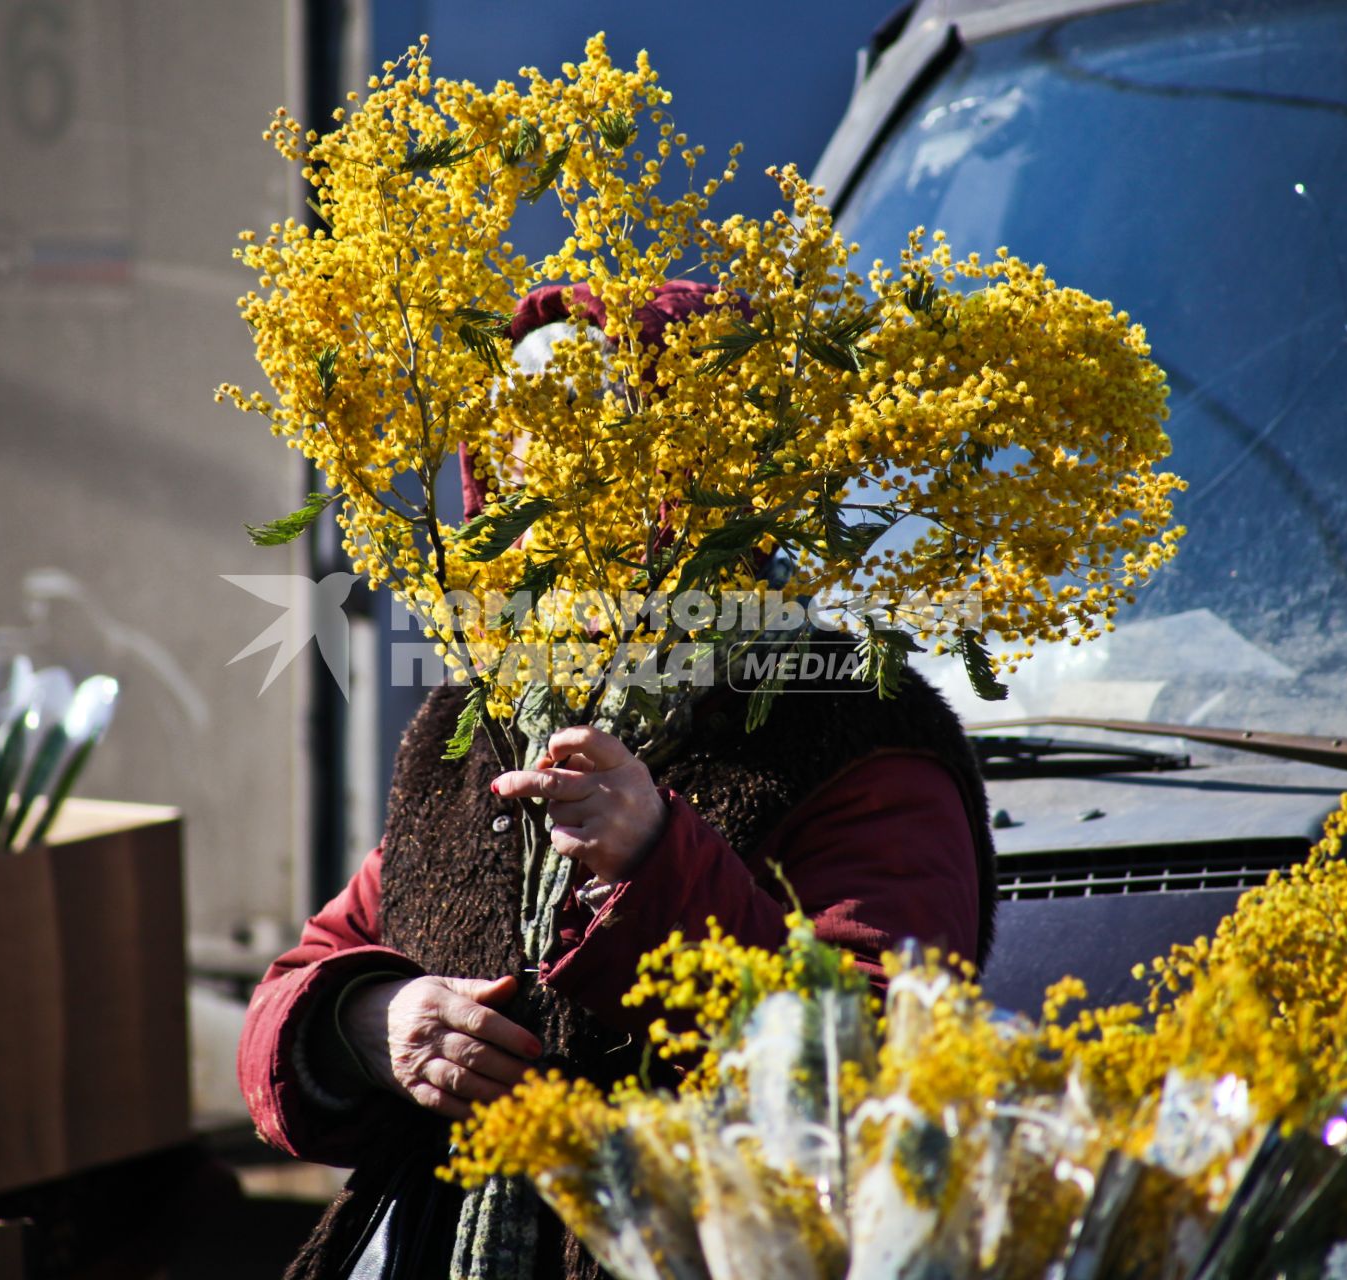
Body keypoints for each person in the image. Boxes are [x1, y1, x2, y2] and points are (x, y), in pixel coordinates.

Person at [237, 283, 1000, 1280]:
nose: (538, 498)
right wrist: (372, 1019)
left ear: (707, 473)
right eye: (513, 455)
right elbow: (306, 974)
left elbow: (883, 1070)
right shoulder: (481, 727)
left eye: (591, 452)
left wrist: (653, 860)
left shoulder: (856, 737)